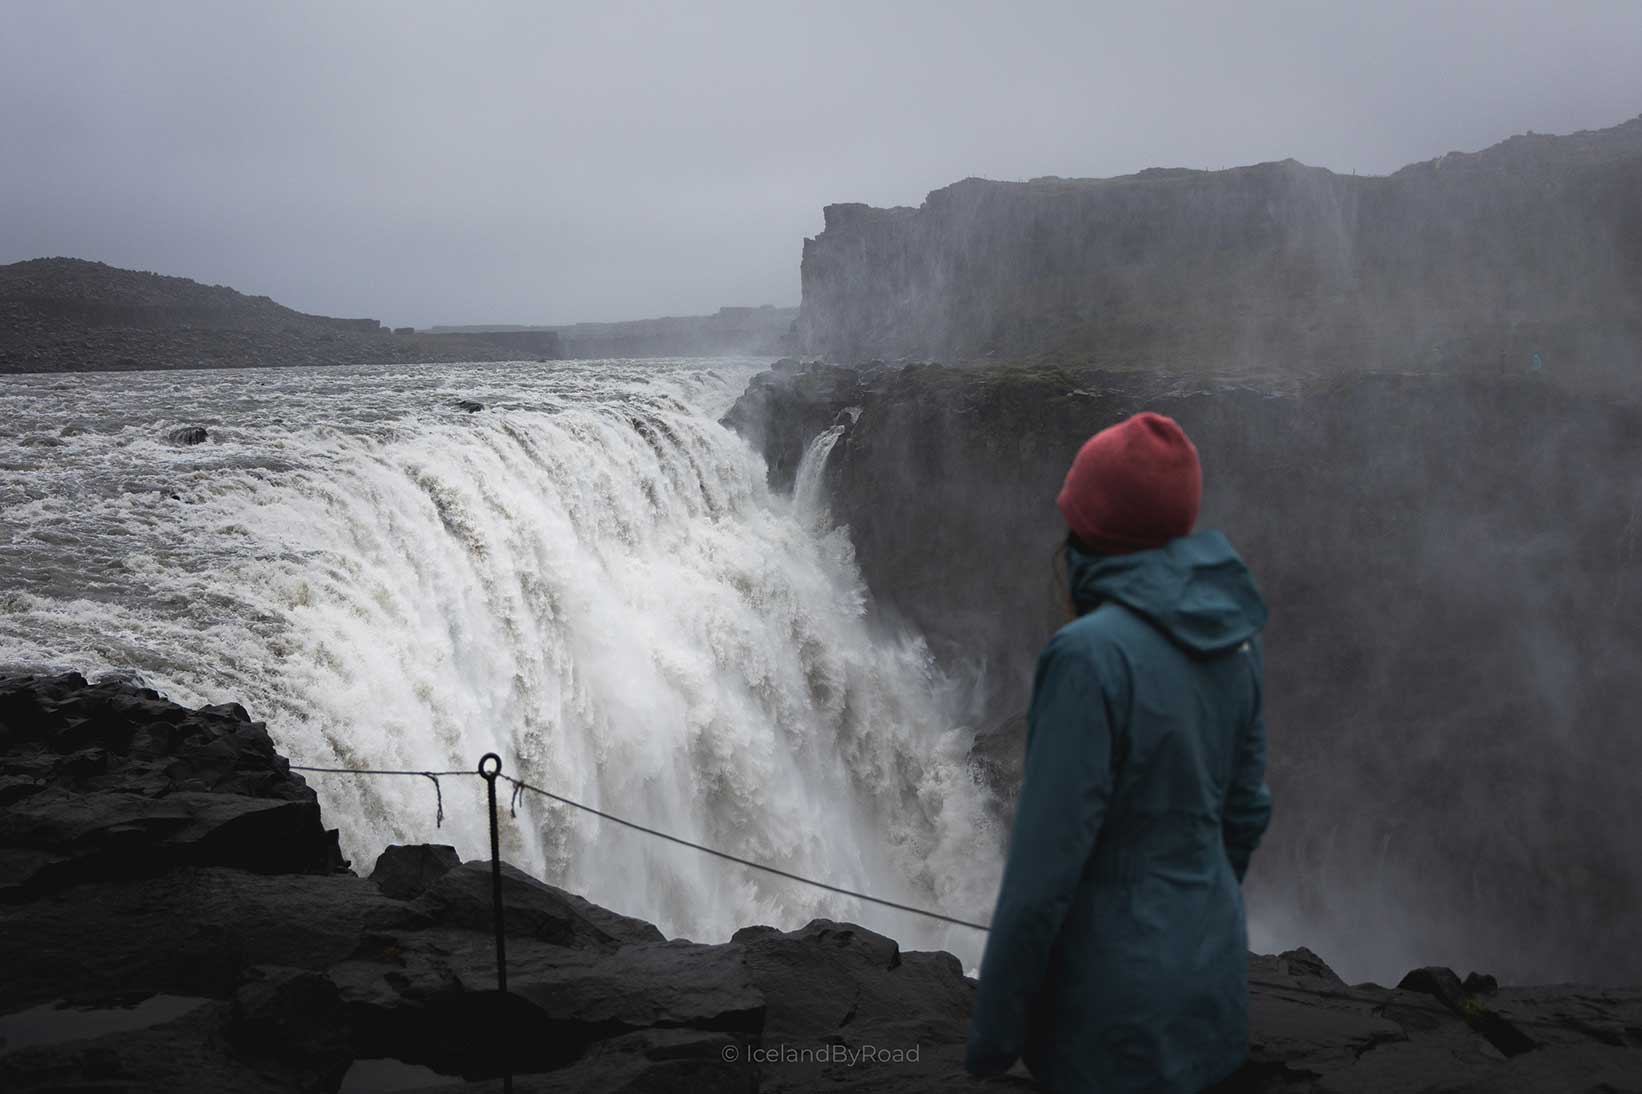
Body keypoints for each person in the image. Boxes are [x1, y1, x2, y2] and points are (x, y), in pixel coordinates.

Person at [966, 411, 1273, 1093]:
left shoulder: (1087, 656)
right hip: (1213, 989)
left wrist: (992, 1036)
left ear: (1093, 529)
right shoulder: (1236, 643)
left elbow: (1042, 875)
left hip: (1109, 1013)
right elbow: (1246, 815)